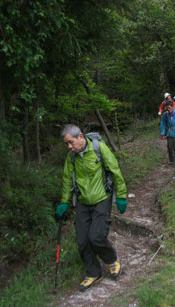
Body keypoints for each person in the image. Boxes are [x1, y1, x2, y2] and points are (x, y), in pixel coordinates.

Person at [55, 124, 128, 292]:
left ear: (80, 136)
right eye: (67, 144)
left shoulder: (98, 148)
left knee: (96, 236)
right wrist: (64, 202)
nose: (69, 147)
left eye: (71, 142)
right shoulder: (71, 157)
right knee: (82, 240)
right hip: (82, 201)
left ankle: (112, 261)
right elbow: (67, 180)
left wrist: (122, 196)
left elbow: (115, 171)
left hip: (102, 198)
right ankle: (94, 272)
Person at [160, 101, 175, 166]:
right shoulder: (165, 114)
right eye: (167, 108)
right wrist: (163, 133)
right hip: (169, 132)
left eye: (170, 107)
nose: (169, 109)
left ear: (172, 107)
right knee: (170, 147)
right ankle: (171, 160)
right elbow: (163, 123)